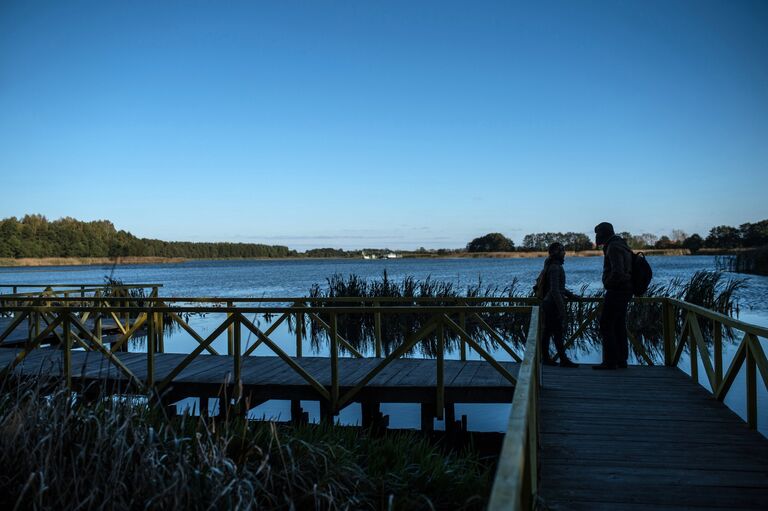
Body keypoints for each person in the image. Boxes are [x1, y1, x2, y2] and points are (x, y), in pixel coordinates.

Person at [593, 222, 633, 369]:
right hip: (624, 290)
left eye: (597, 233)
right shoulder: (620, 244)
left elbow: (618, 271)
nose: (596, 237)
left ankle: (610, 361)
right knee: (618, 324)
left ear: (604, 233)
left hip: (617, 290)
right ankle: (621, 360)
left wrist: (607, 283)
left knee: (606, 324)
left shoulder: (614, 247)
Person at [539, 242, 579, 367]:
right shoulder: (555, 267)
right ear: (557, 252)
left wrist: (571, 296)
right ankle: (561, 359)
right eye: (563, 250)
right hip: (552, 305)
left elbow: (558, 288)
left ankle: (550, 359)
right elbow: (555, 290)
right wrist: (562, 309)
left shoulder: (551, 266)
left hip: (548, 303)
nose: (565, 253)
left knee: (550, 332)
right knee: (556, 332)